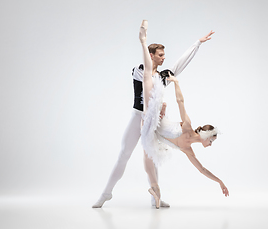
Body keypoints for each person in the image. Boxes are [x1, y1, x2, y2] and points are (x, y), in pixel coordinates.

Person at [92, 23, 215, 208]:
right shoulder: (140, 70)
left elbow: (180, 64)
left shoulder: (164, 75)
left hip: (154, 121)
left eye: (164, 55)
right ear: (151, 56)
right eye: (160, 55)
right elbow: (148, 86)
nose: (164, 58)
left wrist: (197, 43)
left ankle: (155, 197)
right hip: (138, 117)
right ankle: (106, 193)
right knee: (124, 154)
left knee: (153, 155)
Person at [139, 20, 229, 209]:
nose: (211, 145)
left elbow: (202, 170)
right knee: (145, 147)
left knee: (153, 158)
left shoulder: (189, 150)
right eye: (211, 141)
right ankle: (153, 192)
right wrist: (177, 84)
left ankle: (154, 194)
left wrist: (219, 181)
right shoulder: (186, 126)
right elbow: (181, 102)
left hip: (152, 134)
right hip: (148, 120)